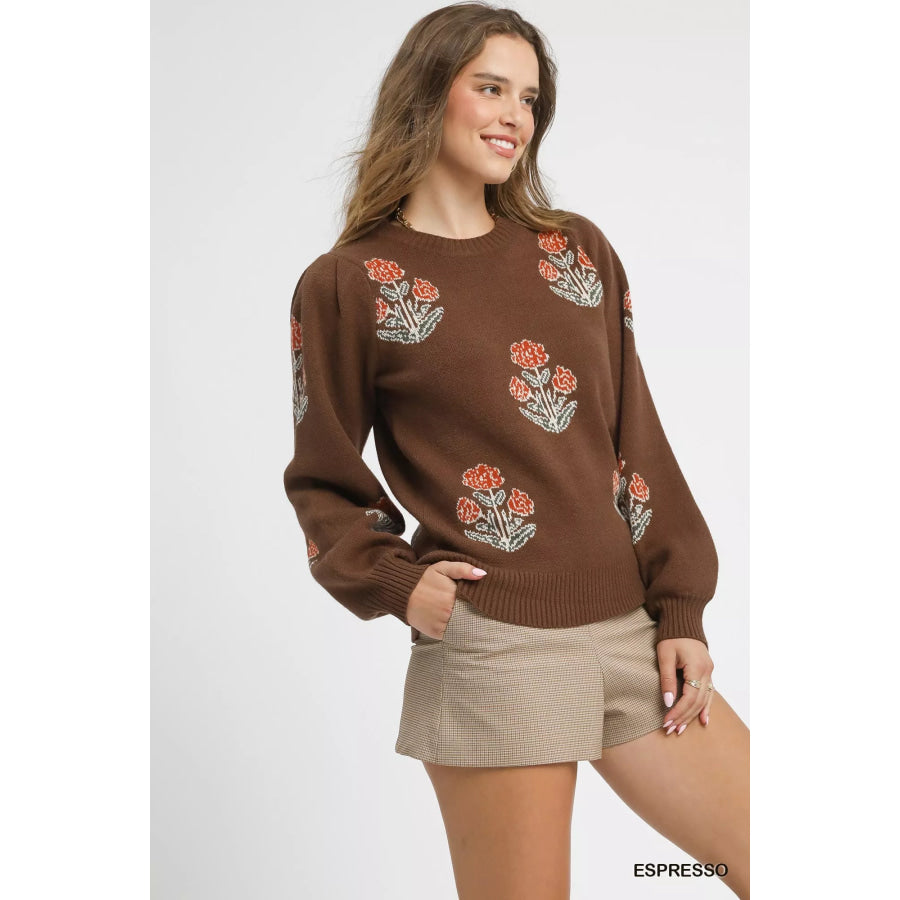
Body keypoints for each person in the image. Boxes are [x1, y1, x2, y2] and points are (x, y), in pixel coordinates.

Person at [282, 4, 749, 898]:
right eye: (491, 88)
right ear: (428, 94)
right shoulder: (348, 284)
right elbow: (323, 476)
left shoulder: (575, 252)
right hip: (495, 648)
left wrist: (681, 607)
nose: (514, 117)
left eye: (529, 99)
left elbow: (636, 438)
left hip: (630, 630)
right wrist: (397, 581)